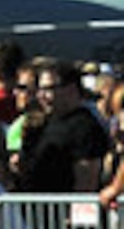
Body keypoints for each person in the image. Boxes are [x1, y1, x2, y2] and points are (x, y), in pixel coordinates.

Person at [18, 58, 109, 192]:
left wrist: (77, 211)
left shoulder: (85, 127)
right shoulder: (40, 123)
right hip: (34, 208)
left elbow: (86, 181)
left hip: (63, 209)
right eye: (39, 89)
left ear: (71, 89)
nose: (41, 95)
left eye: (49, 89)